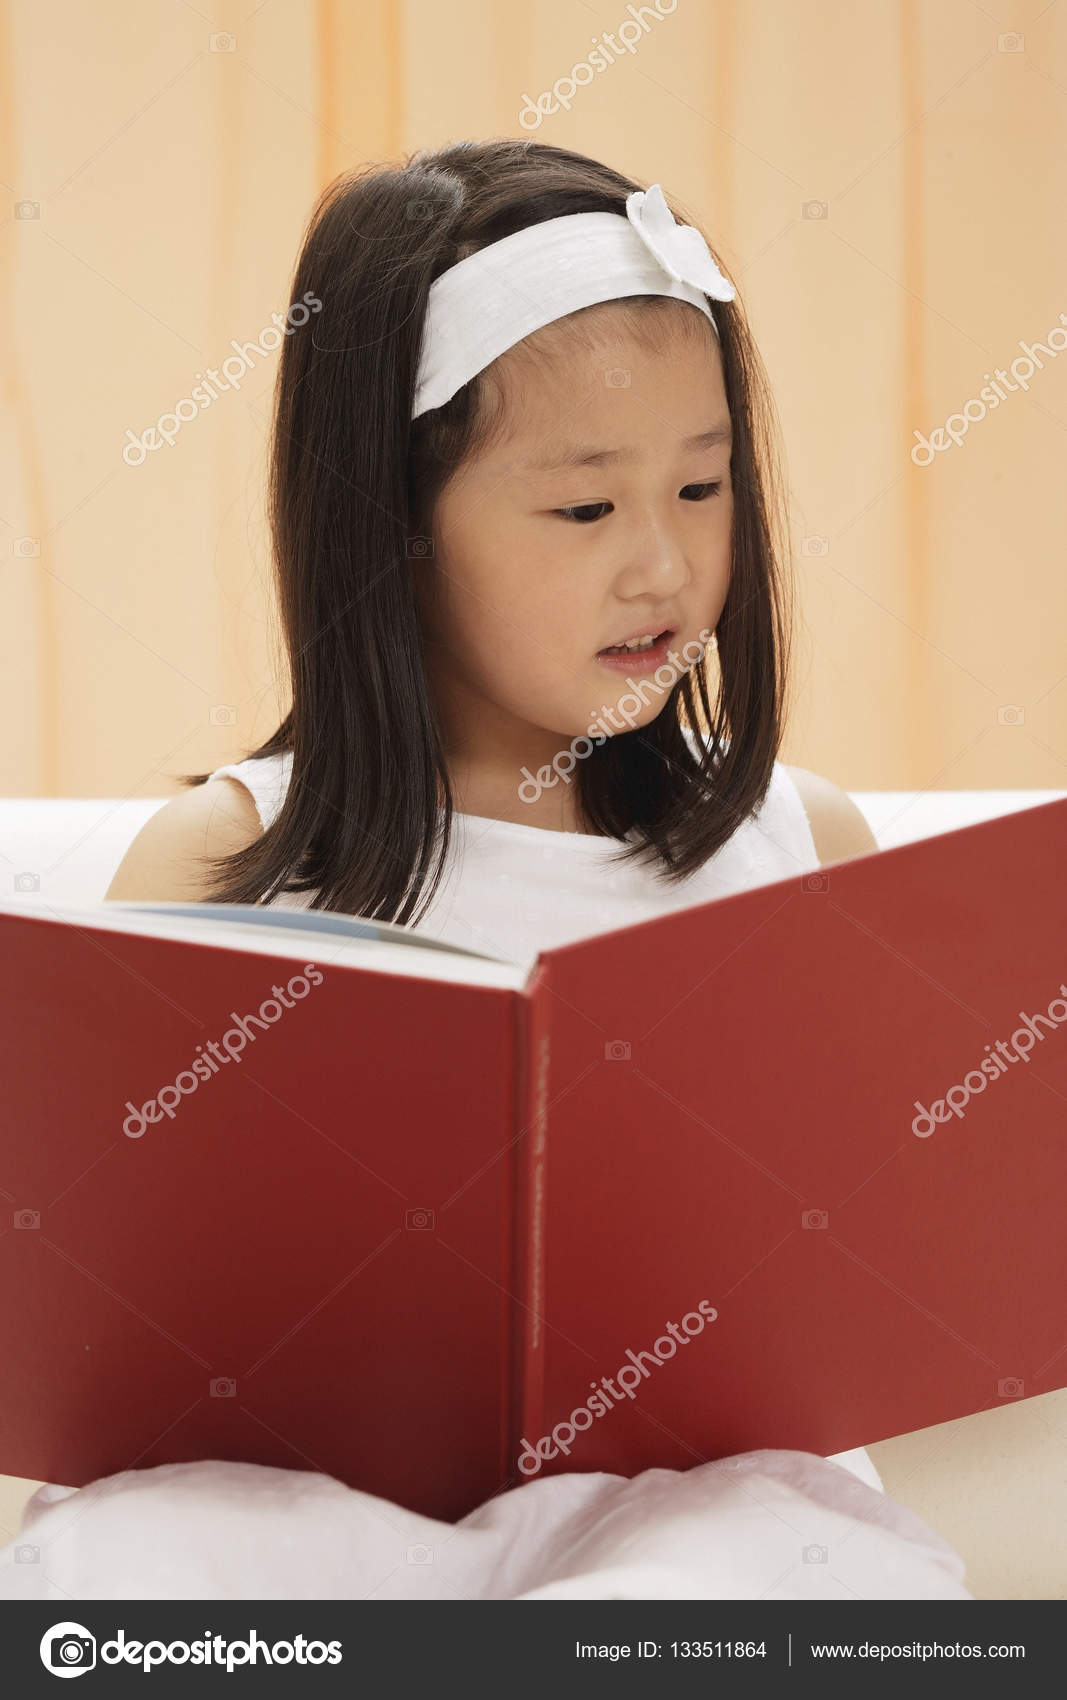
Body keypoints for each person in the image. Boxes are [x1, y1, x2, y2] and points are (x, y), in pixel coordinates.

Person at [104, 140, 885, 1513]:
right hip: (337, 1517)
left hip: (708, 1511)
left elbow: (891, 1267)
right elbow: (119, 1321)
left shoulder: (798, 844)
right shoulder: (225, 872)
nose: (664, 564)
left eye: (703, 488)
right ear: (392, 524)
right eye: (584, 506)